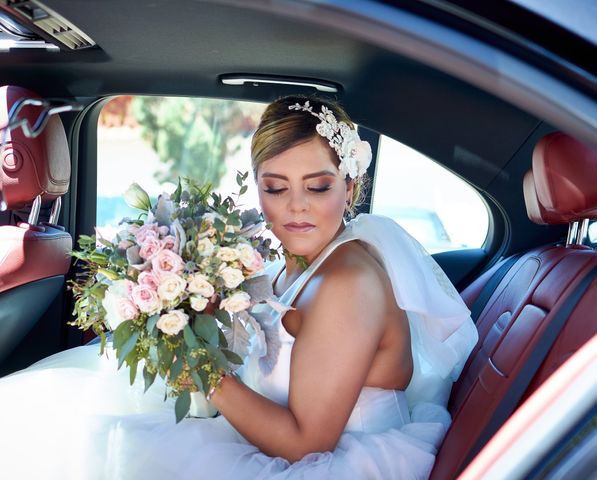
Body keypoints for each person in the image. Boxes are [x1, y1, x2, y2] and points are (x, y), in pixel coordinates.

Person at [0, 95, 478, 479]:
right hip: (273, 440)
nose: (296, 208)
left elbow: (306, 445)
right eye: (275, 188)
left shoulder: (349, 282)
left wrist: (201, 372)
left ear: (349, 187)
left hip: (325, 462)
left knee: (91, 439)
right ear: (255, 186)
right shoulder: (293, 264)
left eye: (318, 187)